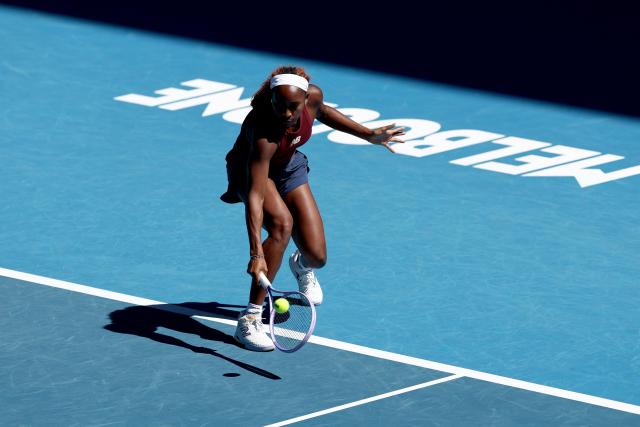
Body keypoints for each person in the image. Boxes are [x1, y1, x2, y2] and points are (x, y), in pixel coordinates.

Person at [220, 65, 405, 351]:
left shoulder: (313, 98)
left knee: (317, 256)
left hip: (288, 166)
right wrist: (256, 253)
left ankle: (300, 266)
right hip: (252, 172)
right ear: (271, 100)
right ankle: (250, 319)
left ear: (305, 100)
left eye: (292, 107)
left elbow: (325, 112)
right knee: (281, 226)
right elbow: (256, 195)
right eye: (279, 105)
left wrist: (368, 134)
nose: (285, 114)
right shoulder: (264, 130)